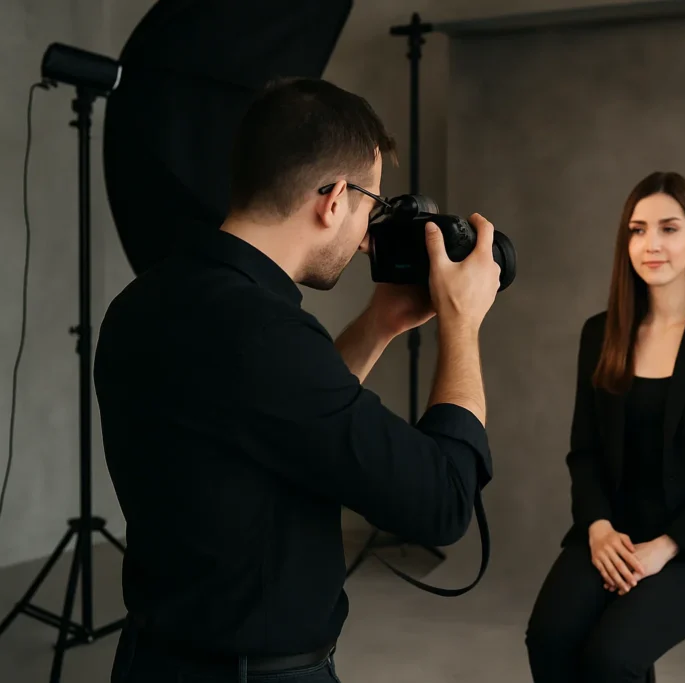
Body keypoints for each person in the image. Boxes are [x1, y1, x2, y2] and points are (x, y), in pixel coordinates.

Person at [94, 78, 502, 683]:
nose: (366, 234)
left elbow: (280, 419)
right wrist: (461, 325)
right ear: (334, 198)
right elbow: (442, 503)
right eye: (372, 203)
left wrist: (380, 323)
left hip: (150, 660)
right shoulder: (266, 335)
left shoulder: (145, 300)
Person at [524, 171, 685, 683]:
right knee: (548, 637)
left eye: (668, 228)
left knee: (611, 658)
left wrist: (666, 546)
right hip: (614, 533)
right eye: (637, 230)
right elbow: (585, 452)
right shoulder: (601, 333)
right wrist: (597, 529)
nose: (651, 244)